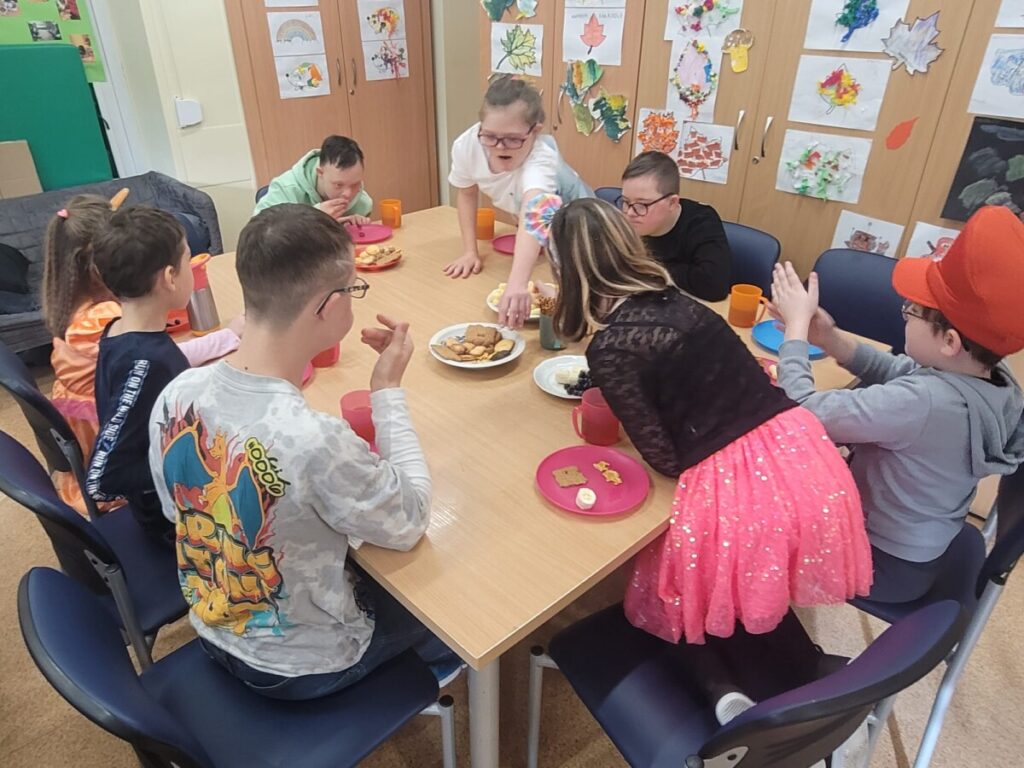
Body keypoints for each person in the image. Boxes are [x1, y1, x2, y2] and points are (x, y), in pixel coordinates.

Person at [148, 204, 459, 699]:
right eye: (353, 290)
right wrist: (387, 392)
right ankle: (422, 675)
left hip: (211, 626)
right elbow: (411, 518)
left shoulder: (176, 395)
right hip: (298, 669)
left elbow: (175, 511)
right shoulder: (314, 439)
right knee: (456, 608)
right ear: (328, 306)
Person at [547, 198, 872, 646]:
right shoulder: (682, 301)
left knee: (674, 579)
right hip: (800, 453)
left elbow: (665, 460)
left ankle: (728, 657)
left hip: (741, 489)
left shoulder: (611, 348)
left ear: (565, 273)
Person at [770, 205, 1024, 604]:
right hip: (920, 547)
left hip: (880, 562)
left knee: (747, 515)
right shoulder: (995, 376)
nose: (905, 316)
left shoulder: (925, 404)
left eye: (913, 311)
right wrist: (830, 339)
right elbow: (902, 372)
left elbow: (802, 413)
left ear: (950, 341)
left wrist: (797, 330)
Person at [41, 194, 239, 518]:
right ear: (170, 277)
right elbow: (103, 478)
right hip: (171, 517)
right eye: (188, 260)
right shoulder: (146, 363)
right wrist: (189, 465)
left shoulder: (117, 330)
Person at [444, 75, 592, 328]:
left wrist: (516, 284)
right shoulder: (467, 145)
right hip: (542, 233)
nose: (500, 147)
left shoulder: (542, 158)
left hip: (582, 233)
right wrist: (470, 251)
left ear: (535, 131)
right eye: (490, 136)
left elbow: (536, 212)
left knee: (576, 308)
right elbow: (467, 192)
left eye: (513, 139)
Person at [617, 151, 732, 302]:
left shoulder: (701, 222)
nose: (630, 213)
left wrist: (649, 267)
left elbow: (714, 287)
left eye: (642, 204)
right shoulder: (628, 217)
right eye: (625, 201)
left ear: (672, 203)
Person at [254, 135, 373, 225]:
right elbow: (258, 236)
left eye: (355, 184)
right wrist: (312, 217)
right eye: (338, 185)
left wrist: (348, 228)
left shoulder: (362, 203)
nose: (348, 194)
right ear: (320, 173)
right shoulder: (285, 189)